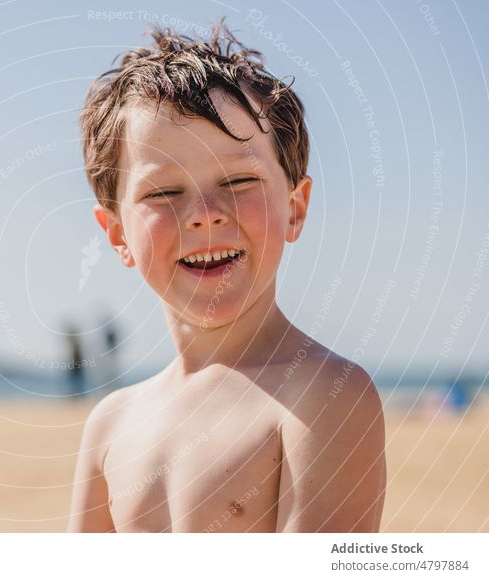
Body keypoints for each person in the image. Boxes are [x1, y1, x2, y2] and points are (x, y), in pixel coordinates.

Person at [68, 22, 386, 532]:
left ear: (295, 209)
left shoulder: (325, 395)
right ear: (116, 233)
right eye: (162, 193)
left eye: (238, 181)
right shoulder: (111, 424)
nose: (205, 214)